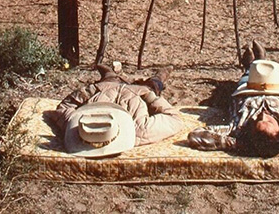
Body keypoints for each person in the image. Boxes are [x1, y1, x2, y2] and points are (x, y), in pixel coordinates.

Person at [45, 64, 183, 158]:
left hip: (105, 89)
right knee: (154, 85)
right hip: (132, 93)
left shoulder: (75, 125)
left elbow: (64, 107)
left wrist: (93, 90)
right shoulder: (141, 130)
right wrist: (148, 95)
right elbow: (173, 117)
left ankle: (110, 76)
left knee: (109, 81)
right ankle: (157, 79)